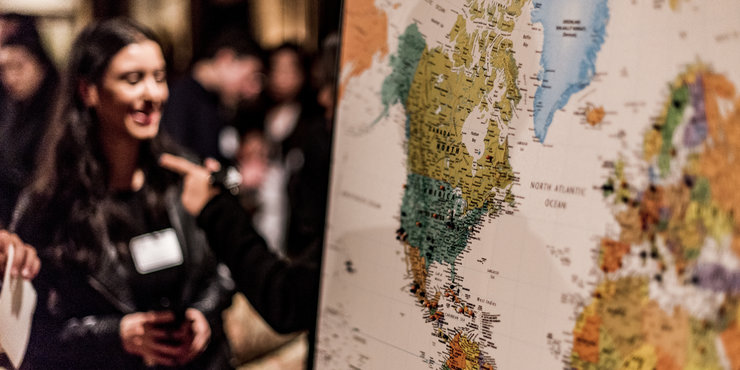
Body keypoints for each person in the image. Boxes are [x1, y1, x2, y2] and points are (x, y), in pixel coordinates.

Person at [12, 18, 234, 369]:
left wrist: (202, 316)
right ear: (89, 91)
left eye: (159, 78)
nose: (153, 94)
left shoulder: (183, 176)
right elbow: (30, 335)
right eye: (134, 79)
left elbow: (222, 270)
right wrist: (116, 335)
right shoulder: (49, 204)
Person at [160, 30, 264, 163]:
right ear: (226, 59)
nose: (254, 89)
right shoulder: (177, 98)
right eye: (250, 76)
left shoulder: (222, 102)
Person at [0, 13, 59, 227]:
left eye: (18, 66)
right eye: (4, 69)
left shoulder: (58, 107)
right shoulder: (10, 106)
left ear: (40, 63)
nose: (10, 78)